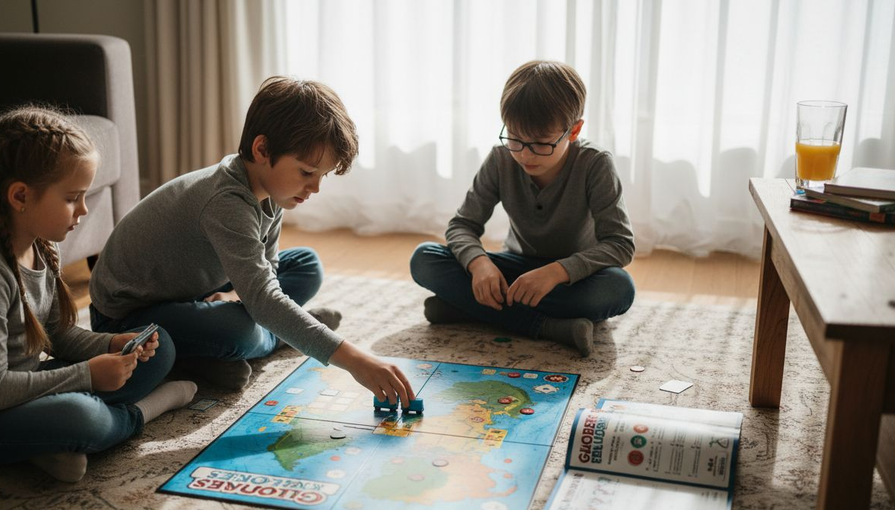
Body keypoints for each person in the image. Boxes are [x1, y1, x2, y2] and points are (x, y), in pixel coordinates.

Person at [0, 106, 196, 483]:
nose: (84, 209)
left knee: (162, 348)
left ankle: (46, 447)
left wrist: (110, 344)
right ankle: (142, 411)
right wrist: (87, 376)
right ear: (20, 196)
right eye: (72, 198)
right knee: (86, 418)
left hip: (22, 387)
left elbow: (58, 335)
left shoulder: (41, 243)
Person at [88, 77, 414, 406]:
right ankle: (268, 340)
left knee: (306, 264)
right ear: (262, 150)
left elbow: (268, 270)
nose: (315, 188)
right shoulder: (226, 201)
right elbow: (263, 300)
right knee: (241, 330)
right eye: (307, 172)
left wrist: (234, 295)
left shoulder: (272, 189)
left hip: (193, 288)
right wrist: (356, 361)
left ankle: (217, 353)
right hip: (127, 317)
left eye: (322, 176)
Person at [409, 61, 636, 357]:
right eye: (515, 139)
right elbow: (462, 225)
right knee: (424, 258)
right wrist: (480, 265)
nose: (525, 155)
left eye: (541, 143)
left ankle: (464, 308)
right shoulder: (501, 159)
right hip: (514, 270)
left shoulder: (595, 164)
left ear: (574, 130)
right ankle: (549, 327)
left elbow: (620, 244)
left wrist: (557, 272)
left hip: (569, 279)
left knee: (618, 288)